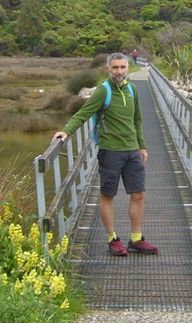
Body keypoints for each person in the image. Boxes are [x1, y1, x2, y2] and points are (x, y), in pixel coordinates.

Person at [52, 53, 159, 256]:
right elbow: (83, 113)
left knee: (139, 195)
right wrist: (66, 131)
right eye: (115, 68)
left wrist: (142, 146)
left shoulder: (132, 89)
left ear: (128, 68)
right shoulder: (103, 91)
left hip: (132, 151)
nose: (119, 71)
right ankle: (113, 239)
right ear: (108, 69)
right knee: (108, 195)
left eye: (123, 67)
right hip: (110, 152)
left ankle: (136, 239)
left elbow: (137, 120)